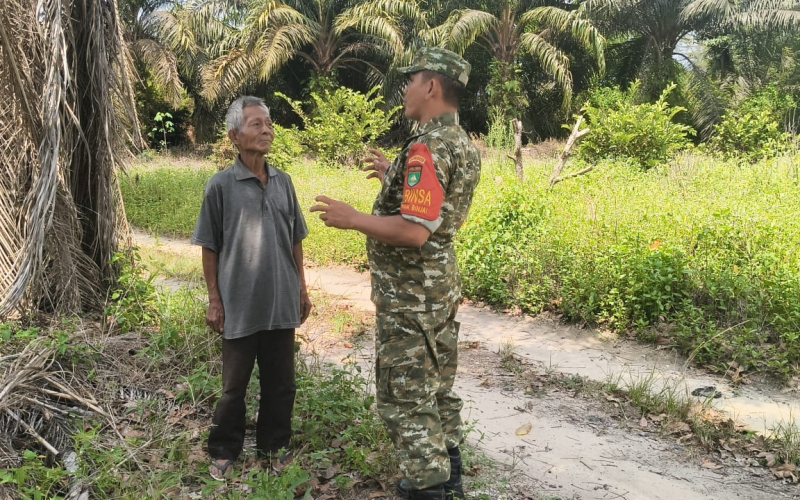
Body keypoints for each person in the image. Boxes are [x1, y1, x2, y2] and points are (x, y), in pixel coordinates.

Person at [310, 47, 481, 500]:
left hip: (411, 297)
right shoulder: (461, 143)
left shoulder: (428, 146)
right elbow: (435, 208)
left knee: (407, 399)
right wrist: (394, 174)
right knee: (438, 388)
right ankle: (452, 484)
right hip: (439, 289)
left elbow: (413, 231)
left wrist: (353, 218)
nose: (405, 89)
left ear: (431, 87)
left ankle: (428, 488)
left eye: (411, 81)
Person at [191, 96, 312, 481]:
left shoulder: (284, 182)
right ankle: (224, 449)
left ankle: (274, 447)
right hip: (239, 304)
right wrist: (214, 299)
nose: (266, 130)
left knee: (282, 384)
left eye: (268, 123)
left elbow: (295, 239)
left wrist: (302, 289)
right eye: (256, 124)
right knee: (233, 387)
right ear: (234, 136)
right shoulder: (220, 186)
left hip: (279, 302)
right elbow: (209, 245)